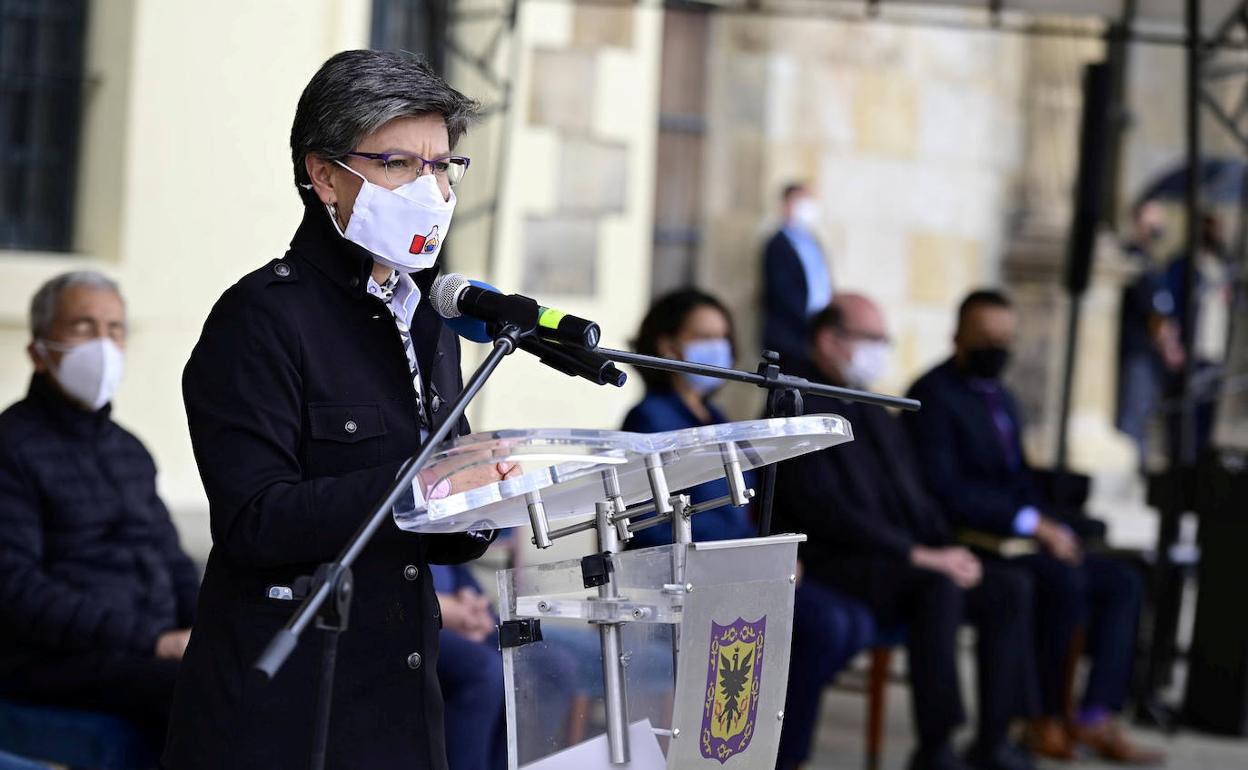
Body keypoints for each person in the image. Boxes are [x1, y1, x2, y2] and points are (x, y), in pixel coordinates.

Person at [164, 51, 518, 770]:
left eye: (444, 165)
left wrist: (489, 497)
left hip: (402, 701)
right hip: (289, 714)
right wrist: (420, 485)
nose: (432, 188)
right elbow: (253, 521)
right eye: (399, 164)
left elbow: (438, 519)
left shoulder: (426, 318)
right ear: (323, 174)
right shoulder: (260, 319)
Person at [775, 294, 1040, 770]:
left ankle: (994, 738)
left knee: (1008, 586)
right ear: (829, 340)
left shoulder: (871, 404)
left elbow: (914, 495)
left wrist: (948, 548)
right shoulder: (795, 403)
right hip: (840, 562)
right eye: (872, 339)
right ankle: (935, 747)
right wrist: (921, 556)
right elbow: (828, 512)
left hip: (900, 557)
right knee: (938, 588)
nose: (881, 350)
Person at [904, 290, 1163, 764]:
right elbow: (945, 489)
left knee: (1125, 580)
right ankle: (1039, 718)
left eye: (1006, 338)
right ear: (958, 336)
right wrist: (1033, 524)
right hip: (972, 538)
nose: (997, 348)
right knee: (1060, 581)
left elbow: (1018, 477)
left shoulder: (1002, 395)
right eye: (986, 338)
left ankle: (1093, 715)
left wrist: (1051, 521)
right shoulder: (932, 395)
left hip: (1021, 531)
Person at [0, 271, 198, 744]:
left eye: (114, 329)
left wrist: (206, 627)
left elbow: (172, 559)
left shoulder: (130, 450)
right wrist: (151, 641)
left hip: (143, 649)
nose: (103, 344)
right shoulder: (11, 445)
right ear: (38, 352)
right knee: (203, 694)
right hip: (56, 658)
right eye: (83, 327)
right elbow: (16, 587)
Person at [622, 288, 757, 547]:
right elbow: (647, 523)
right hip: (685, 570)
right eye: (706, 337)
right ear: (668, 345)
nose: (719, 347)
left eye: (723, 337)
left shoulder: (717, 417)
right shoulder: (649, 419)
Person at [1116, 200, 1183, 465]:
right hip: (1138, 349)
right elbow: (1152, 312)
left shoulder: (1152, 262)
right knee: (1133, 413)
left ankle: (1138, 468)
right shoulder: (1132, 257)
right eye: (1153, 219)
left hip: (1150, 353)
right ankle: (1128, 470)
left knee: (1144, 413)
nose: (1159, 225)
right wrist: (1170, 346)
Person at [433, 564, 505, 770]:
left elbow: (450, 553)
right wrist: (442, 609)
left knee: (538, 659)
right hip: (410, 617)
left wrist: (473, 599)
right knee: (485, 671)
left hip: (460, 607)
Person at [760, 182, 834, 368]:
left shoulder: (813, 241)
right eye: (801, 201)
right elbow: (781, 292)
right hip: (790, 336)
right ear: (786, 204)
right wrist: (811, 324)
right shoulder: (777, 244)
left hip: (815, 334)